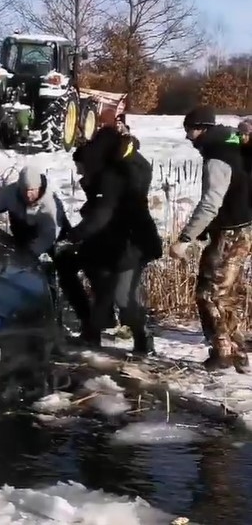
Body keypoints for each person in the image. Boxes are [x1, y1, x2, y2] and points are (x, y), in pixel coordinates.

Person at [61, 126, 162, 355]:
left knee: (123, 298)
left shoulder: (112, 177)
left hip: (129, 245)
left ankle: (142, 337)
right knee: (88, 275)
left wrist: (73, 235)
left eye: (81, 169)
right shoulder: (109, 174)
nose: (79, 175)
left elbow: (102, 214)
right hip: (107, 241)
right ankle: (92, 331)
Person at [169, 106, 252, 372]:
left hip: (229, 234)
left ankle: (224, 354)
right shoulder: (237, 145)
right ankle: (235, 351)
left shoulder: (217, 157)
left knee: (209, 294)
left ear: (202, 129)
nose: (188, 137)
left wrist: (185, 238)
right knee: (226, 294)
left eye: (189, 131)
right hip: (242, 229)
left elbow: (210, 204)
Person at [0, 165, 69, 256]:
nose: (28, 195)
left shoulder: (50, 204)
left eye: (32, 190)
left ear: (39, 187)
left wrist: (29, 255)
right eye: (25, 190)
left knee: (63, 258)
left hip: (55, 237)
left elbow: (48, 237)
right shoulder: (11, 192)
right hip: (24, 235)